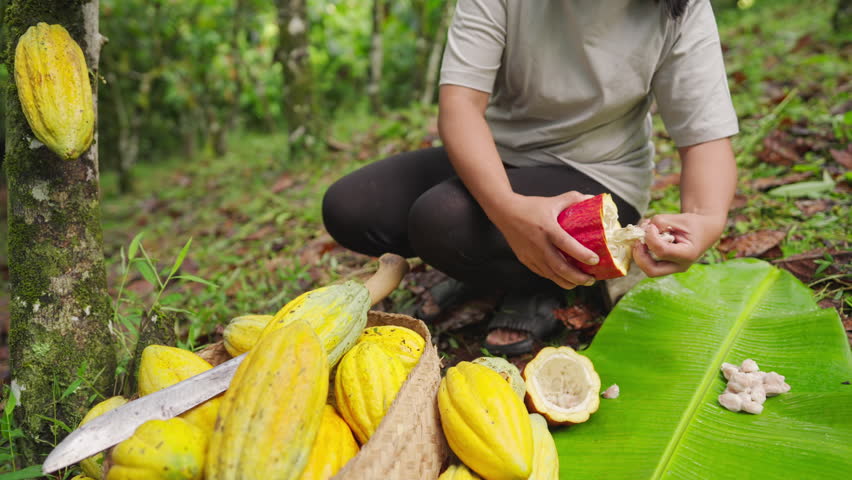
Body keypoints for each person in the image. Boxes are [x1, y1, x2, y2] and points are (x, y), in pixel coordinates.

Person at [322, 0, 738, 355]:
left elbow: (704, 136)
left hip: (596, 175)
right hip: (496, 157)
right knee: (352, 207)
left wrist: (705, 219)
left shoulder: (679, 9)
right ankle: (498, 266)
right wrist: (507, 209)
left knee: (441, 220)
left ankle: (543, 286)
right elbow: (461, 106)